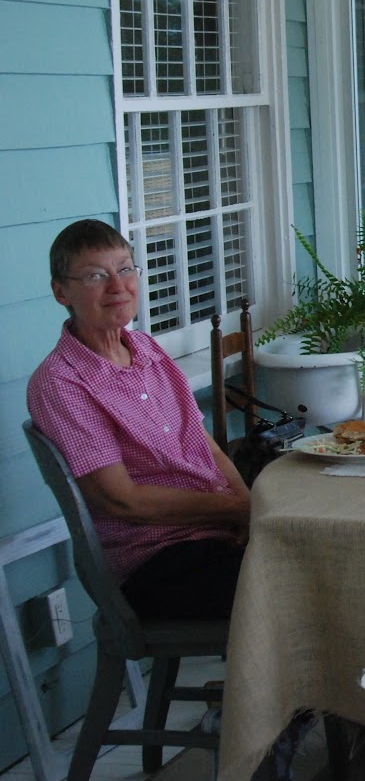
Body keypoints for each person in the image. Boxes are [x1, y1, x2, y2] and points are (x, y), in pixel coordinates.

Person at [26, 219, 251, 621]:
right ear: (61, 292)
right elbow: (122, 500)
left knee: (324, 549)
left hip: (215, 532)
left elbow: (205, 445)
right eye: (96, 275)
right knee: (297, 586)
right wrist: (236, 511)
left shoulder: (147, 349)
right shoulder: (62, 383)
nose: (118, 286)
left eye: (125, 269)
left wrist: (247, 508)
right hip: (155, 560)